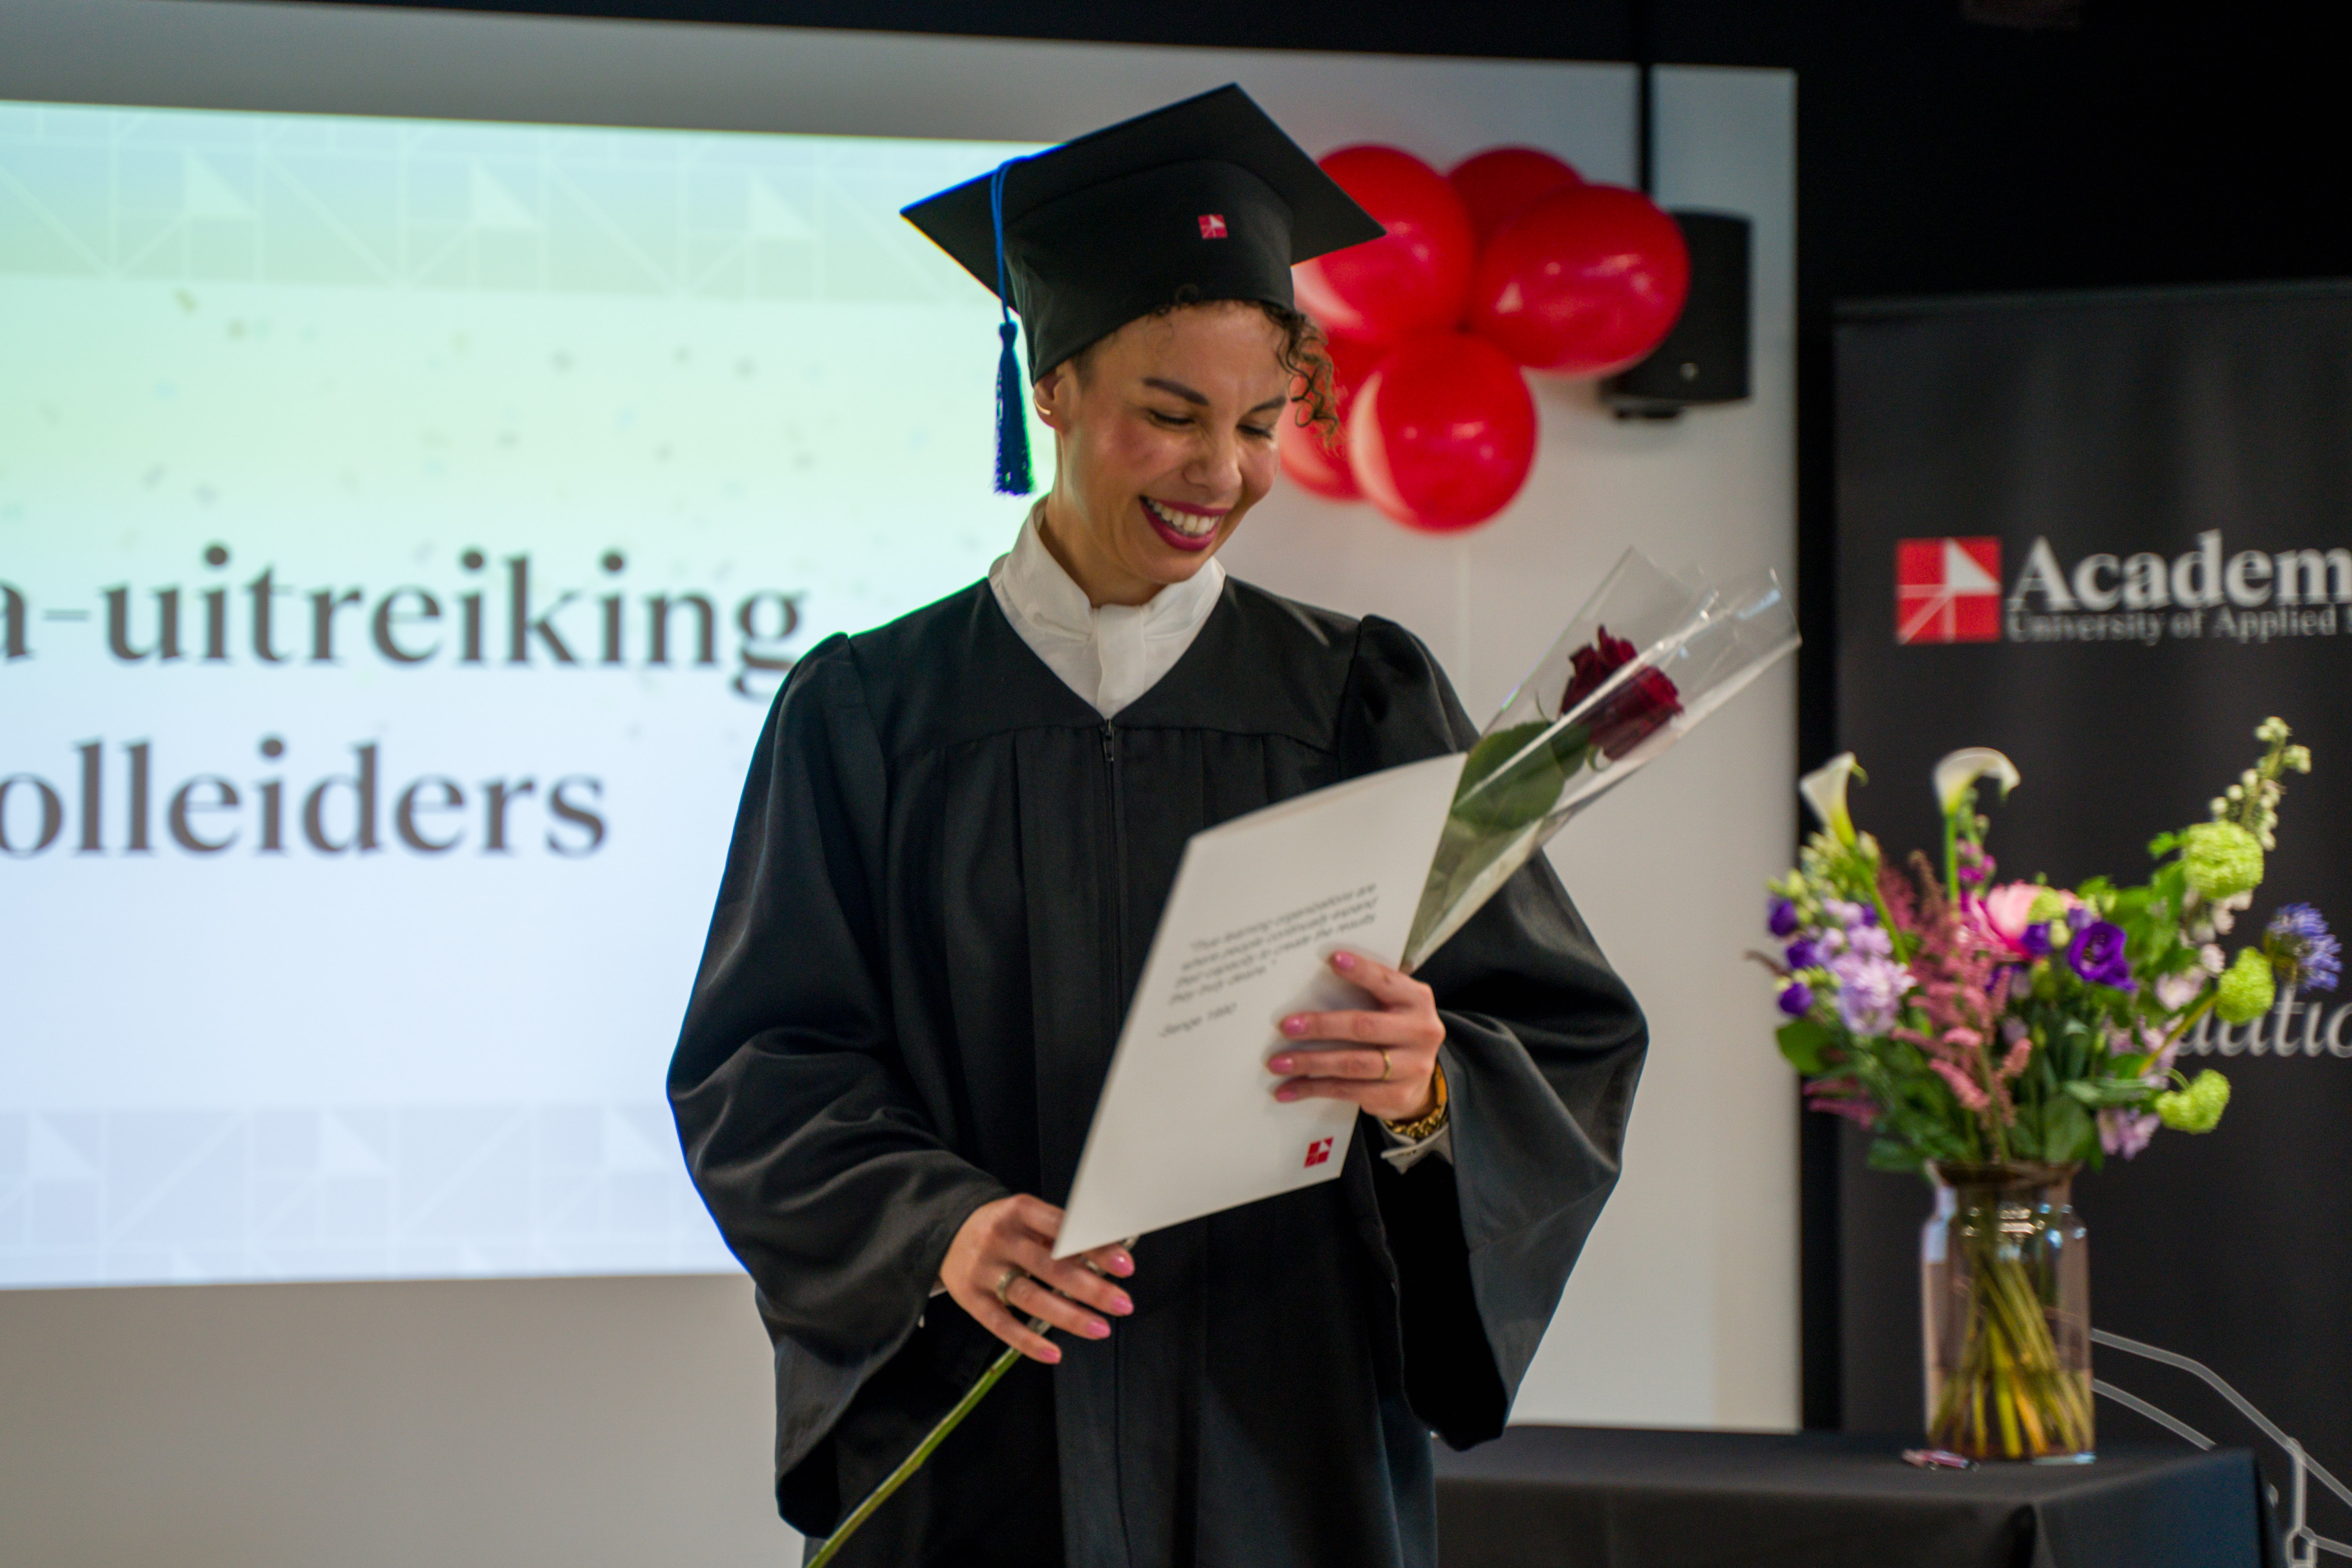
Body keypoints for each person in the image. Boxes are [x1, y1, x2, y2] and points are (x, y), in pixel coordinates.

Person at [668, 85, 1647, 1568]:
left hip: (1284, 1441)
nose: (1223, 473)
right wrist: (938, 1224)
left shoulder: (1357, 698)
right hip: (984, 1439)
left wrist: (1431, 1089)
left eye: (1261, 424)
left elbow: (1558, 1028)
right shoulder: (871, 712)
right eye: (1170, 415)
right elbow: (762, 1065)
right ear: (1051, 391)